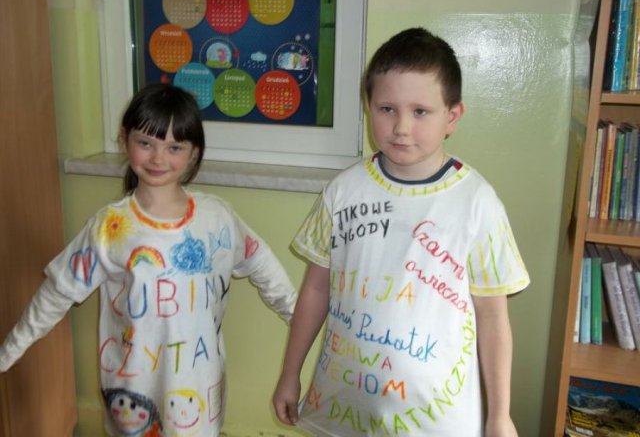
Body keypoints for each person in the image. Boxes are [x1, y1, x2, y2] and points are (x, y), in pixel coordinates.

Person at [272, 27, 530, 436]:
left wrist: (500, 414)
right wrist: (290, 374)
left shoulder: (478, 204)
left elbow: (493, 316)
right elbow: (316, 290)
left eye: (420, 111)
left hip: (436, 421)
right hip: (344, 408)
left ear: (452, 116)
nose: (401, 127)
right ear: (368, 106)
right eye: (387, 108)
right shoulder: (343, 191)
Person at [0, 83, 297, 437]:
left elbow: (262, 264)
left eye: (174, 147)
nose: (158, 158)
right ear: (124, 139)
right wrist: (8, 352)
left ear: (193, 152)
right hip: (133, 396)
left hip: (199, 395)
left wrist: (299, 319)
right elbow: (57, 292)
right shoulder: (110, 228)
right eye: (146, 143)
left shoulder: (217, 218)